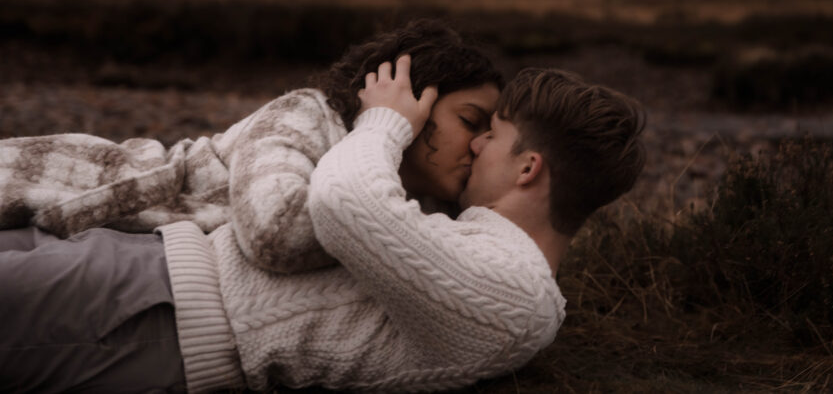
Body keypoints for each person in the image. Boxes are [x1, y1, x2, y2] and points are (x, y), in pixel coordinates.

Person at [0, 57, 646, 393]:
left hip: (146, 317)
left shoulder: (514, 294)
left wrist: (386, 119)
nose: (474, 146)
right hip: (148, 271)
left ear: (528, 167)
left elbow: (344, 204)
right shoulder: (483, 246)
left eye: (491, 136)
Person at [0, 19, 502, 273]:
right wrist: (385, 125)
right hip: (79, 182)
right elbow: (275, 232)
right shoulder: (307, 115)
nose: (479, 145)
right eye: (469, 120)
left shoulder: (423, 201)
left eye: (490, 133)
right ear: (410, 97)